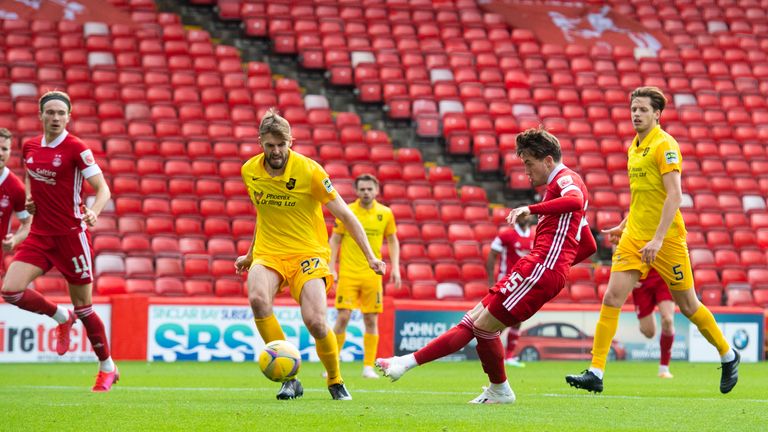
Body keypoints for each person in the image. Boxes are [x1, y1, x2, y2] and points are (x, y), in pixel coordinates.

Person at [376, 128, 597, 404]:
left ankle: (500, 390)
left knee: (483, 328)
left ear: (548, 161)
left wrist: (533, 212)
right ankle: (405, 362)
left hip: (540, 267)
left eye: (529, 164)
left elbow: (574, 199)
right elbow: (589, 246)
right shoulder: (562, 187)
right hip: (541, 267)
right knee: (473, 321)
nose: (526, 172)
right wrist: (559, 265)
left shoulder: (565, 180)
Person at [566, 87, 740, 394]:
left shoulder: (665, 145)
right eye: (633, 108)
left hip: (668, 240)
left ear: (656, 114)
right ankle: (596, 371)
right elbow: (642, 200)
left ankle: (728, 354)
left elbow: (675, 195)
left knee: (688, 305)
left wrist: (658, 239)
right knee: (611, 298)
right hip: (635, 238)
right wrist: (624, 224)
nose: (636, 114)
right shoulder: (634, 146)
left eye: (643, 109)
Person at [235, 108, 386, 401]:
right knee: (256, 299)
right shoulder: (249, 171)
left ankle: (335, 379)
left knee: (316, 321)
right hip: (269, 253)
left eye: (281, 144)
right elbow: (262, 214)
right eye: (270, 145)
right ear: (260, 143)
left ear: (290, 141)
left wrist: (370, 256)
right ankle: (289, 378)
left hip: (308, 253)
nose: (276, 150)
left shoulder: (311, 171)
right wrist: (251, 254)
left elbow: (346, 215)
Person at [0, 91, 116, 391]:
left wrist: (94, 211)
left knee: (85, 308)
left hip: (71, 235)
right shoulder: (30, 146)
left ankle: (107, 366)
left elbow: (103, 188)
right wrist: (28, 197)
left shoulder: (77, 148)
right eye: (49, 112)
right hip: (40, 234)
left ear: (69, 116)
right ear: (41, 115)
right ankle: (59, 316)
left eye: (60, 113)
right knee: (10, 291)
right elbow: (30, 176)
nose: (55, 117)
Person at [329, 173, 400, 379]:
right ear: (356, 191)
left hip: (372, 275)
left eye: (370, 189)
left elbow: (393, 240)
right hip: (349, 274)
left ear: (376, 190)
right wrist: (331, 267)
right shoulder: (347, 211)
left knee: (371, 320)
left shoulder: (385, 213)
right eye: (362, 189)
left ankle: (368, 367)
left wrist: (395, 267)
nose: (366, 192)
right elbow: (335, 240)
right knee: (343, 317)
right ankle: (332, 364)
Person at [486, 215, 535, 367]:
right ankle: (489, 351)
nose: (523, 218)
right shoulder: (506, 235)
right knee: (499, 318)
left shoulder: (535, 235)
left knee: (519, 318)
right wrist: (491, 280)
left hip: (524, 282)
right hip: (506, 280)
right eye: (521, 215)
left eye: (526, 215)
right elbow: (492, 255)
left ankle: (509, 356)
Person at [633, 268, 675, 378]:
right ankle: (644, 320)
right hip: (641, 277)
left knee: (668, 320)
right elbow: (617, 250)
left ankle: (664, 368)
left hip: (663, 275)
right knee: (649, 332)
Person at [0, 128, 32, 266]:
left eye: (4, 149)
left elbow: (28, 224)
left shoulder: (16, 188)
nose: (0, 153)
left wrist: (14, 240)